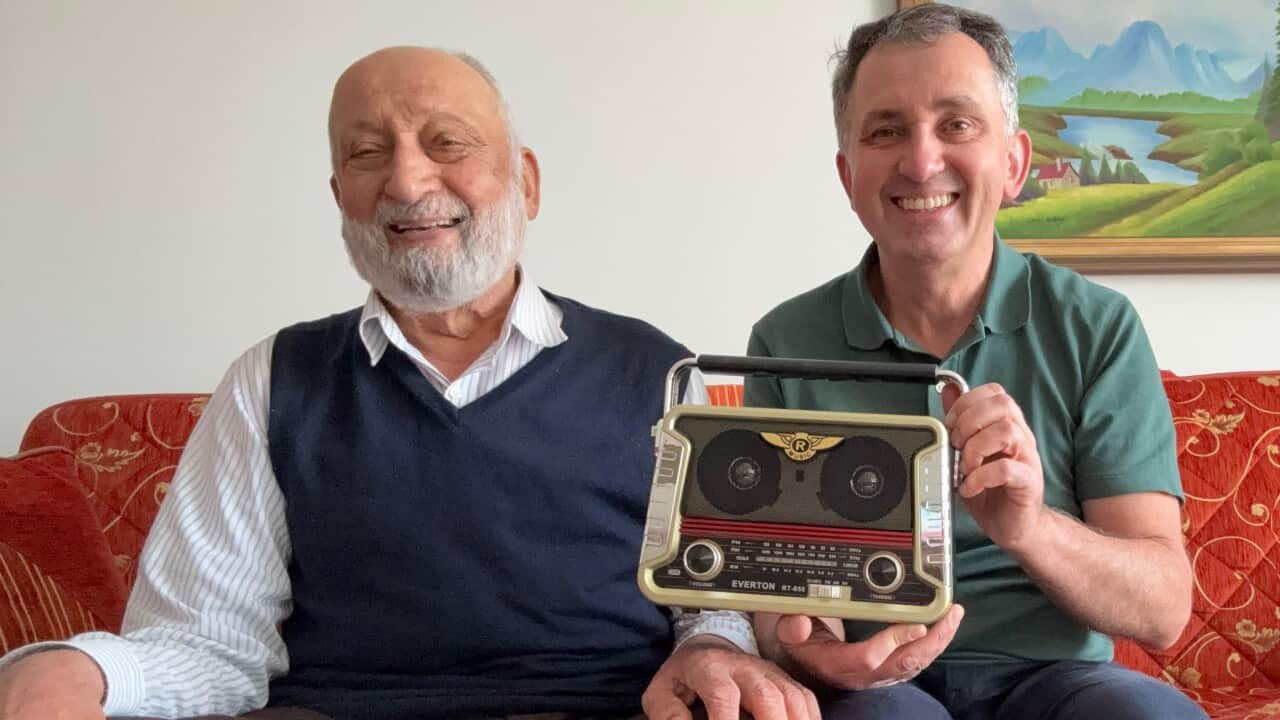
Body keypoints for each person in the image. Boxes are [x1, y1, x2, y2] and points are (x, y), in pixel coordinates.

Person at [0, 47, 816, 720]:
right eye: (365, 152)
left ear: (526, 181)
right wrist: (79, 669)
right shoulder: (271, 380)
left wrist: (711, 648)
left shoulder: (655, 369)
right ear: (339, 196)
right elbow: (209, 645)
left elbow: (712, 603)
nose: (407, 179)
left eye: (447, 142)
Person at [737, 5, 1207, 719]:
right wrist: (811, 649)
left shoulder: (1096, 327)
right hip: (878, 690)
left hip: (1058, 680)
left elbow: (1163, 608)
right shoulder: (782, 340)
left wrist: (1028, 526)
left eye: (957, 124)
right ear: (848, 175)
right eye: (886, 130)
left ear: (1013, 162)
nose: (921, 160)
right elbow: (780, 595)